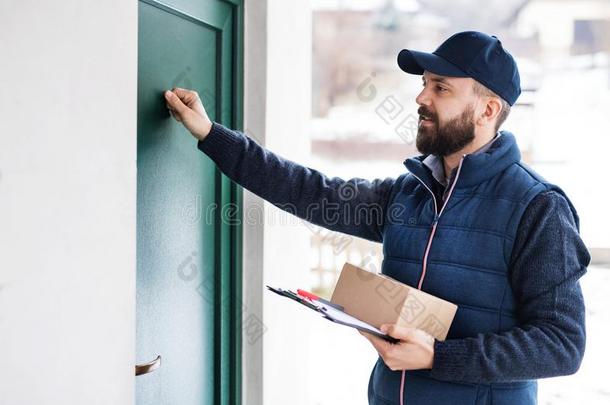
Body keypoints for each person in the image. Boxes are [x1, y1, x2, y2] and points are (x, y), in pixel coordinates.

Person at [164, 31, 589, 405]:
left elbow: (562, 344)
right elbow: (310, 191)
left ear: (488, 109)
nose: (421, 98)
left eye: (440, 88)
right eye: (424, 85)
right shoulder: (409, 192)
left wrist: (439, 357)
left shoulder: (538, 207)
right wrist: (210, 133)